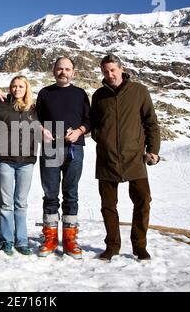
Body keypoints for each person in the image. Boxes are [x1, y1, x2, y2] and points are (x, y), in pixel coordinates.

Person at [90, 54, 160, 261]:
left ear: (121, 69)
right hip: (106, 158)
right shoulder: (98, 96)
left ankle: (139, 246)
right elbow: (94, 124)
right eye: (105, 71)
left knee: (143, 201)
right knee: (108, 205)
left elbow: (151, 123)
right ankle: (112, 246)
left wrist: (153, 149)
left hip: (135, 158)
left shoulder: (139, 91)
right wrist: (102, 138)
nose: (109, 75)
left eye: (113, 70)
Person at [36, 57, 91, 259]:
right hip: (51, 147)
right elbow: (35, 118)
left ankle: (70, 240)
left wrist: (79, 131)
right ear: (54, 70)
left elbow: (89, 119)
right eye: (60, 68)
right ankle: (50, 238)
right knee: (50, 194)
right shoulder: (45, 93)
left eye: (67, 69)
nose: (63, 72)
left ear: (73, 72)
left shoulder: (80, 94)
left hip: (74, 148)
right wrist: (41, 130)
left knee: (71, 194)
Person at [0, 76, 40, 256]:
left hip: (26, 162)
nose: (16, 89)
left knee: (21, 203)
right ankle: (7, 240)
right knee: (6, 203)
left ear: (26, 88)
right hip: (5, 159)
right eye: (14, 86)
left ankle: (21, 240)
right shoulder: (2, 104)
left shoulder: (33, 108)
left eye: (20, 86)